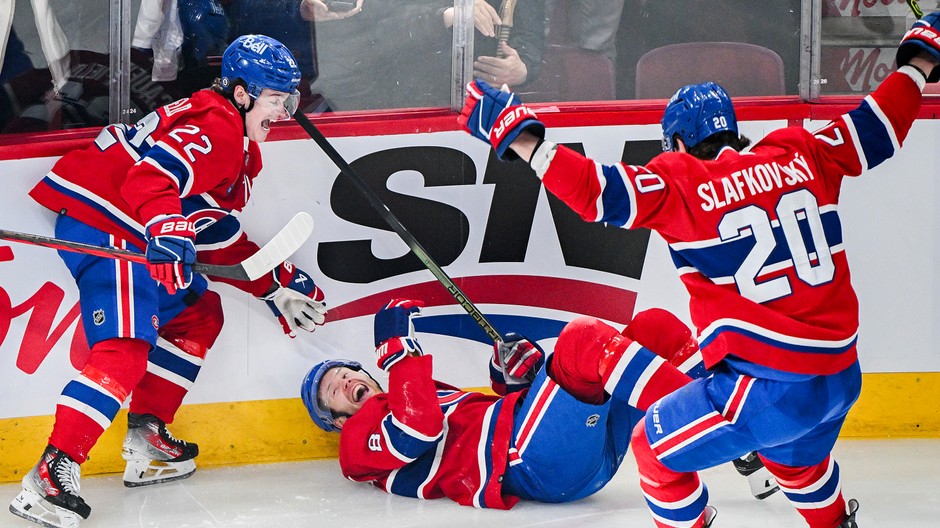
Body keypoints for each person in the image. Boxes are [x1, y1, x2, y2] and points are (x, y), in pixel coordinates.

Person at [456, 12, 940, 528]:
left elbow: (597, 194)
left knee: (653, 450)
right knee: (798, 463)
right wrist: (919, 61)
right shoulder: (801, 149)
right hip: (840, 377)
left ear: (679, 145)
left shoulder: (682, 180)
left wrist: (524, 139)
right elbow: (879, 125)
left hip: (767, 385)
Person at [9, 34, 328, 528]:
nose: (284, 111)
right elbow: (151, 181)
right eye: (275, 99)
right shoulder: (217, 125)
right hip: (109, 223)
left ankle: (146, 434)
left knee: (199, 315)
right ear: (241, 93)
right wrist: (165, 230)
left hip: (133, 226)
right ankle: (53, 472)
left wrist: (275, 287)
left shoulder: (230, 137)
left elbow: (212, 227)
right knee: (125, 347)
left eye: (289, 101)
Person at [300, 298, 764, 520]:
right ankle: (734, 428)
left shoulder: (415, 390)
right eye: (330, 391)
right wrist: (398, 347)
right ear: (334, 420)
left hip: (559, 445)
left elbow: (489, 420)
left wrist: (515, 376)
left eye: (343, 372)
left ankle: (747, 450)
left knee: (654, 327)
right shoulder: (357, 444)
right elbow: (417, 433)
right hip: (534, 465)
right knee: (582, 340)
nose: (342, 382)